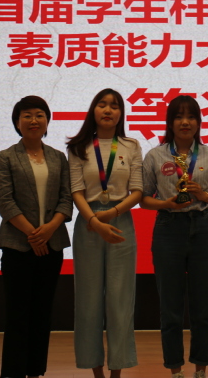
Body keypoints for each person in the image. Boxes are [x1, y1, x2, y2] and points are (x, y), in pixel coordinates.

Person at [141, 95, 208, 378]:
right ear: (170, 122)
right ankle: (175, 370)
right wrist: (166, 203)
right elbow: (143, 198)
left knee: (203, 307)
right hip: (168, 229)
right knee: (170, 307)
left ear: (198, 122)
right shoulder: (155, 156)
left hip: (203, 229)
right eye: (178, 116)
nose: (185, 122)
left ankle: (201, 368)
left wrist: (203, 195)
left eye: (191, 116)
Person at [0, 95, 73, 378]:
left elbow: (66, 199)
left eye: (39, 114)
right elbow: (6, 203)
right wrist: (33, 234)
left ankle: (35, 372)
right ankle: (13, 373)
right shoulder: (5, 157)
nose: (33, 120)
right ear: (17, 122)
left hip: (52, 246)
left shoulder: (58, 157)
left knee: (42, 313)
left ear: (47, 121)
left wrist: (49, 229)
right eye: (26, 115)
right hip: (17, 246)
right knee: (17, 314)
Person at [66, 89, 142, 378]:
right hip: (89, 223)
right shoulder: (79, 147)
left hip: (121, 221)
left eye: (114, 106)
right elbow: (76, 190)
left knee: (120, 300)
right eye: (102, 104)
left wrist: (113, 213)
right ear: (93, 110)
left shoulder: (131, 145)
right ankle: (96, 372)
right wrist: (95, 221)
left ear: (121, 113)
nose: (108, 110)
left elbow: (137, 190)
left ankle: (116, 373)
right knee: (88, 302)